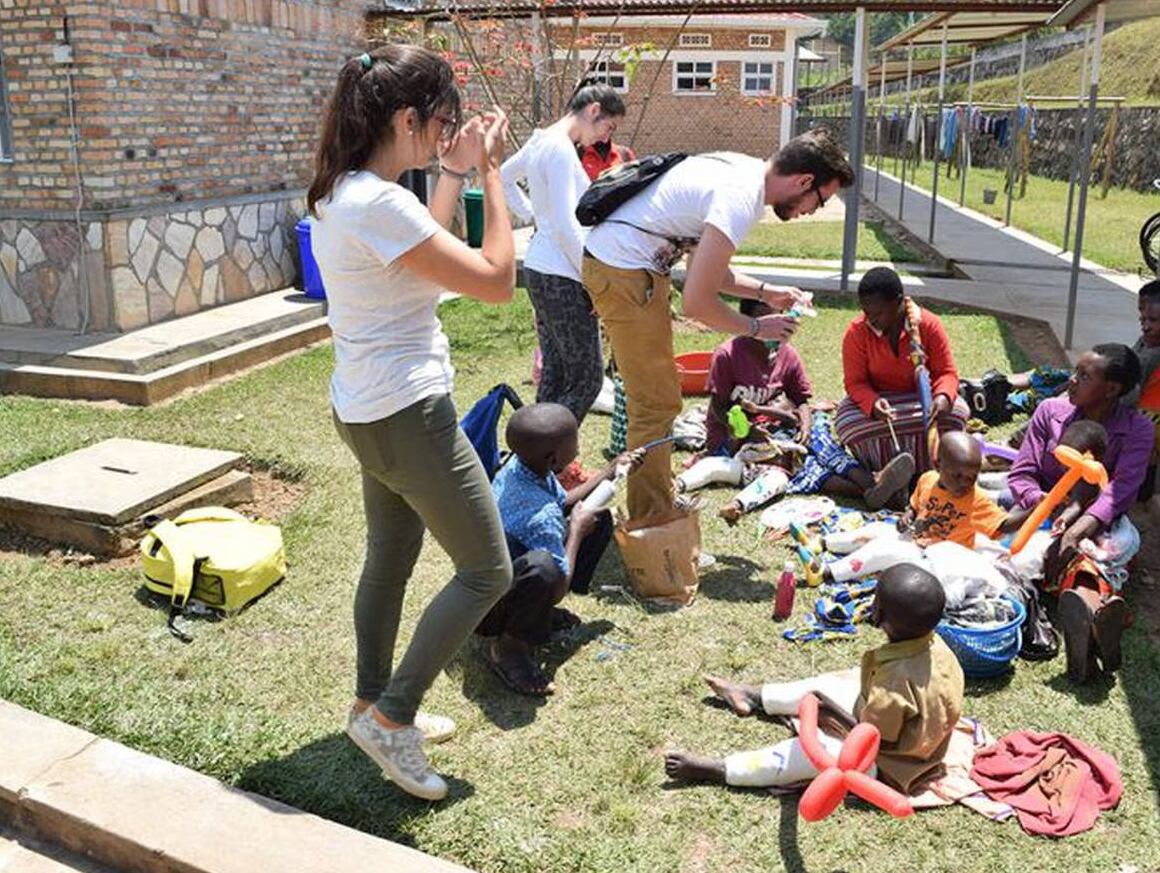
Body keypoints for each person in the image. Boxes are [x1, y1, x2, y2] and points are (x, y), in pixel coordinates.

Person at [307, 44, 515, 801]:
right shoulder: (377, 201)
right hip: (408, 414)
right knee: (488, 570)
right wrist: (492, 172)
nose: (446, 134)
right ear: (406, 118)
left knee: (389, 558)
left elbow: (420, 251)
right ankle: (394, 718)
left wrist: (455, 169)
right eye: (441, 124)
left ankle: (369, 704)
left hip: (363, 408)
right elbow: (493, 281)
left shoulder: (344, 191)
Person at [582, 128, 855, 524]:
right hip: (623, 269)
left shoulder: (742, 171)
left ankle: (655, 503)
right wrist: (758, 329)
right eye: (821, 199)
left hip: (629, 268)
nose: (813, 210)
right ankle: (651, 517)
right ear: (803, 181)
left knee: (657, 399)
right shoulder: (741, 197)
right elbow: (698, 302)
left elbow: (707, 271)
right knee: (655, 402)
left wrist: (768, 291)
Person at [664, 563, 964, 795]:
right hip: (893, 731)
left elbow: (871, 742)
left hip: (888, 765)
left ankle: (723, 769)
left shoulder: (895, 684)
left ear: (881, 615)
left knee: (803, 753)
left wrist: (828, 714)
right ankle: (753, 697)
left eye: (876, 601)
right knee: (823, 687)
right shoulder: (935, 647)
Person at [683, 298, 914, 523]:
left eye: (779, 319)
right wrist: (748, 431)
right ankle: (872, 483)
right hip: (735, 438)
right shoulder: (727, 355)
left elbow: (801, 400)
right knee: (799, 464)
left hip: (779, 429)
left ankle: (873, 488)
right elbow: (718, 408)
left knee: (816, 439)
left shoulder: (787, 354)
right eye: (767, 320)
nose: (776, 328)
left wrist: (805, 426)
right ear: (749, 322)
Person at [1007, 344, 1154, 682]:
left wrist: (1076, 531)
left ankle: (1086, 616)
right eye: (1076, 372)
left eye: (1084, 376)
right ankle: (1096, 611)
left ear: (1112, 389)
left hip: (1099, 520)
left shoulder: (1137, 430)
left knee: (1106, 546)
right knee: (1035, 551)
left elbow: (1121, 492)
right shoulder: (1049, 411)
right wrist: (1044, 503)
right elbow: (1021, 475)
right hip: (1044, 514)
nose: (1071, 380)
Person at [479, 403, 643, 696]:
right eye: (575, 444)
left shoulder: (521, 467)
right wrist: (576, 532)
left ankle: (537, 614)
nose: (578, 450)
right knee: (546, 569)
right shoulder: (541, 518)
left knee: (598, 518)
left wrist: (611, 469)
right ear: (553, 458)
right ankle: (509, 647)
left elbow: (564, 501)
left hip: (499, 575)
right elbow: (557, 584)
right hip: (488, 606)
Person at [501, 85, 626, 425]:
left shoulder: (542, 140)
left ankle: (540, 463)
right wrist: (592, 281)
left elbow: (504, 178)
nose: (604, 137)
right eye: (608, 127)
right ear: (594, 110)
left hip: (542, 270)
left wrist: (532, 215)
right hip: (562, 275)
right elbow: (565, 224)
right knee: (588, 380)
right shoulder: (558, 149)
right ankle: (543, 453)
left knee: (555, 374)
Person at [819, 432, 1027, 589]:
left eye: (971, 478)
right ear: (938, 465)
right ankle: (825, 543)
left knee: (882, 551)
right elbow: (915, 505)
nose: (964, 483)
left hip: (936, 558)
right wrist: (908, 515)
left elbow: (1005, 525)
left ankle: (830, 572)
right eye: (957, 476)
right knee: (876, 529)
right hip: (916, 538)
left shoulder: (976, 499)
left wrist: (1037, 509)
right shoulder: (928, 479)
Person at [834, 267, 969, 480]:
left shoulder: (928, 325)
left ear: (897, 303)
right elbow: (855, 383)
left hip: (921, 401)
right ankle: (888, 473)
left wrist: (942, 397)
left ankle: (926, 467)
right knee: (847, 421)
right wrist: (873, 403)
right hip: (882, 405)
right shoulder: (857, 332)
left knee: (957, 412)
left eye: (878, 313)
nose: (871, 320)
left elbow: (947, 373)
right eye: (866, 313)